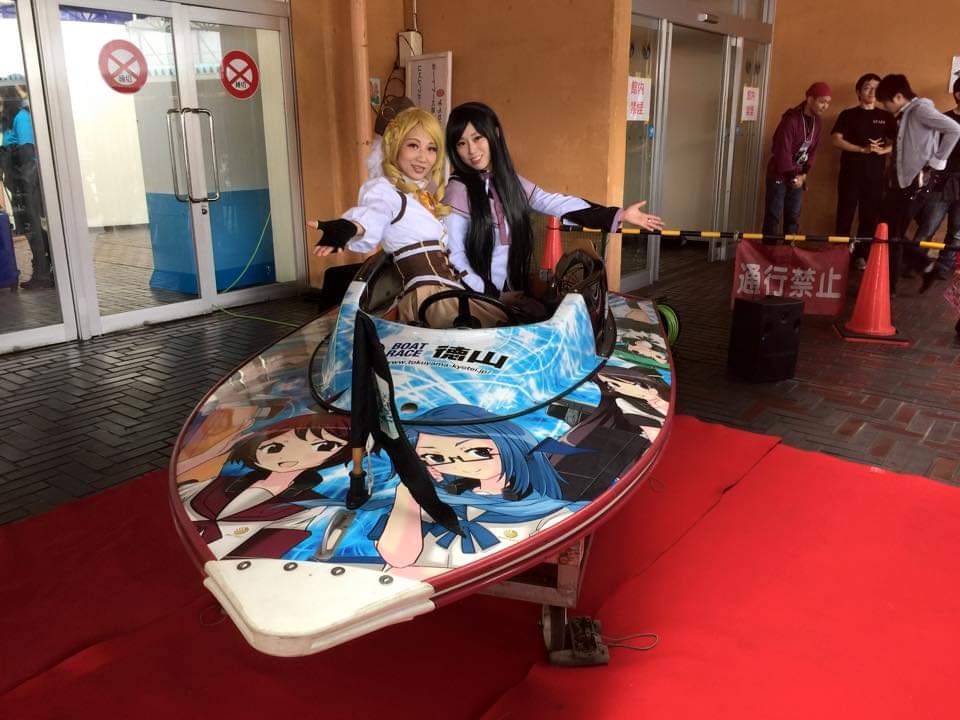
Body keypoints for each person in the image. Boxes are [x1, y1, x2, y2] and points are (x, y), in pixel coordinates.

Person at [442, 101, 663, 302]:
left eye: (477, 138)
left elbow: (551, 201)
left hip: (507, 292)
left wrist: (618, 214)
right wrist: (492, 296)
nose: (471, 150)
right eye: (461, 143)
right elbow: (454, 257)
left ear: (495, 134)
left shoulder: (507, 181)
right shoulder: (457, 190)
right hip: (475, 299)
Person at [309, 107, 500, 327]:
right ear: (395, 145)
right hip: (428, 299)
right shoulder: (387, 193)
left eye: (431, 148)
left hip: (449, 294)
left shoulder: (422, 197)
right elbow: (375, 213)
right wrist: (350, 227)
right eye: (413, 146)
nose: (423, 157)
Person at [374, 404, 582, 577]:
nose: (458, 464)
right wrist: (410, 488)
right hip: (404, 589)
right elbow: (397, 558)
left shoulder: (547, 513)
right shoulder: (429, 498)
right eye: (435, 457)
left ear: (509, 448)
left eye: (478, 452)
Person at [176, 411, 354, 560]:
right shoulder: (217, 484)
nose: (290, 455)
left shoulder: (311, 507)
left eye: (324, 446)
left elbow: (260, 555)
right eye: (274, 447)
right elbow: (174, 487)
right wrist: (214, 452)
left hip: (214, 573)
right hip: (175, 546)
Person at [876, 74, 960, 292]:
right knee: (886, 228)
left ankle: (890, 287)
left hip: (915, 184)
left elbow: (954, 129)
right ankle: (925, 266)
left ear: (898, 96)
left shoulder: (920, 109)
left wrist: (937, 161)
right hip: (901, 183)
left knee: (893, 234)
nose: (885, 107)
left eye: (885, 102)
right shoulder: (906, 114)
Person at [831, 74, 896, 269]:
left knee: (869, 218)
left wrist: (883, 150)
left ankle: (862, 255)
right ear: (859, 92)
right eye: (867, 87)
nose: (872, 91)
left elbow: (898, 141)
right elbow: (836, 139)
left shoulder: (886, 117)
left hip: (875, 177)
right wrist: (861, 149)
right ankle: (838, 255)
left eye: (876, 87)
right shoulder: (848, 114)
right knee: (845, 215)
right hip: (850, 175)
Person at [762, 82, 832, 236]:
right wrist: (793, 176)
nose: (825, 106)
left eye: (828, 102)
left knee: (793, 216)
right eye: (822, 101)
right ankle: (768, 248)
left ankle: (789, 248)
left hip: (799, 174)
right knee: (773, 215)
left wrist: (804, 173)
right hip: (780, 174)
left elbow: (812, 150)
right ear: (810, 99)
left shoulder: (818, 122)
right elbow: (782, 150)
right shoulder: (791, 119)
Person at [0, 84, 52, 290]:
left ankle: (43, 272)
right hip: (18, 183)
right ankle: (43, 268)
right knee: (28, 228)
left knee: (34, 227)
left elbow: (28, 152)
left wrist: (25, 187)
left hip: (26, 183)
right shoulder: (8, 122)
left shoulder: (21, 117)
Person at [916, 77, 960, 295]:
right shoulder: (944, 120)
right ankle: (915, 262)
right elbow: (929, 149)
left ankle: (944, 266)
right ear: (958, 94)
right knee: (928, 226)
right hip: (941, 183)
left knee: (957, 231)